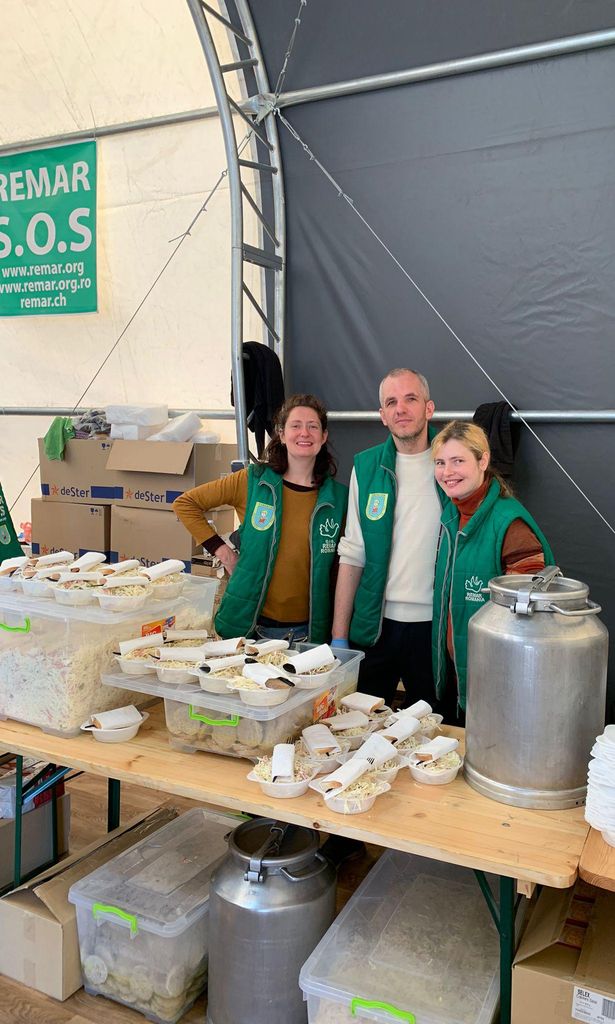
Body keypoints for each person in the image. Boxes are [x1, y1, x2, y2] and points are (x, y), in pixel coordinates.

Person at [173, 394, 348, 643]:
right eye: (295, 425)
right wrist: (223, 552)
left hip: (308, 634)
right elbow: (186, 504)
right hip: (249, 629)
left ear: (324, 436)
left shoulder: (338, 498)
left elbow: (341, 568)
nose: (304, 433)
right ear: (282, 434)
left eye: (313, 426)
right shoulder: (253, 480)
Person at [331, 368, 442, 707]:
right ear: (382, 415)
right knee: (359, 727)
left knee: (438, 732)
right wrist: (339, 636)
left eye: (411, 399)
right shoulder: (366, 467)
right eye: (391, 402)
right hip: (375, 627)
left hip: (435, 631)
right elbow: (352, 555)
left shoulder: (452, 463)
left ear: (429, 408)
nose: (401, 409)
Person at [431, 420, 554, 722]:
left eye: (458, 461)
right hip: (457, 675)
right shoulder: (452, 513)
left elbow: (529, 619)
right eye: (440, 463)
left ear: (483, 460)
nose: (447, 472)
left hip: (497, 687)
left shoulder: (510, 524)